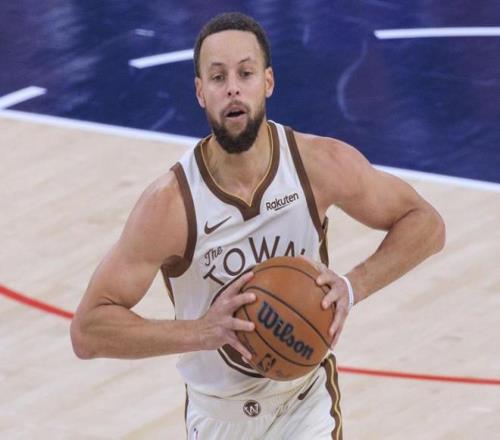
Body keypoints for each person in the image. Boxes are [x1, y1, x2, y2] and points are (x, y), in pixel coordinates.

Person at [70, 12, 445, 439]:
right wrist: (201, 331)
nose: (232, 87)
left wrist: (352, 285)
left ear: (268, 82)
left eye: (245, 73)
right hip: (220, 415)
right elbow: (87, 331)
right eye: (218, 77)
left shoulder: (318, 164)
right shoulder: (170, 205)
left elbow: (426, 223)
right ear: (200, 92)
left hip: (305, 402)